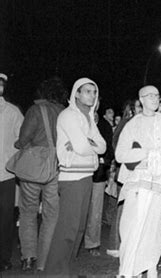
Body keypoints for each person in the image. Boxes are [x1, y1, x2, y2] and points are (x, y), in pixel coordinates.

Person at [115, 85, 161, 278]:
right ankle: (128, 270)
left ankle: (151, 266)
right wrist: (146, 154)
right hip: (140, 181)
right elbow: (120, 154)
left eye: (157, 95)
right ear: (141, 100)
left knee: (154, 227)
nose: (155, 99)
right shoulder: (133, 124)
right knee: (133, 225)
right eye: (150, 96)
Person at [45, 78, 106, 274]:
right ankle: (55, 273)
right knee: (67, 229)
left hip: (86, 175)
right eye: (87, 91)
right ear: (76, 94)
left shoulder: (88, 117)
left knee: (78, 229)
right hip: (71, 178)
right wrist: (90, 145)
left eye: (94, 92)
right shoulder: (68, 116)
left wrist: (87, 143)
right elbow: (80, 147)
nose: (92, 95)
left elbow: (103, 146)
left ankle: (68, 270)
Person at [15, 77, 67, 271]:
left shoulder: (35, 110)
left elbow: (23, 139)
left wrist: (22, 145)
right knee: (51, 214)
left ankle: (28, 257)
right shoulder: (64, 112)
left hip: (33, 169)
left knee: (28, 212)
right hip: (56, 168)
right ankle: (44, 261)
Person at [106, 99, 140, 258]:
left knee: (129, 209)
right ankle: (114, 245)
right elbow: (117, 146)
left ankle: (125, 244)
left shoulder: (134, 122)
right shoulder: (128, 123)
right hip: (127, 170)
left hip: (132, 170)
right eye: (139, 106)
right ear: (133, 109)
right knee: (122, 207)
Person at [0, 73, 24, 272]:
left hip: (6, 175)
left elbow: (23, 140)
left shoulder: (13, 112)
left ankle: (4, 257)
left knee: (6, 218)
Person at [84, 105, 115, 256]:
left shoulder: (105, 126)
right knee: (79, 208)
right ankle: (74, 240)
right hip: (79, 171)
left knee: (96, 208)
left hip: (99, 172)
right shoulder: (78, 121)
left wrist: (104, 161)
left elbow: (109, 148)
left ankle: (93, 242)